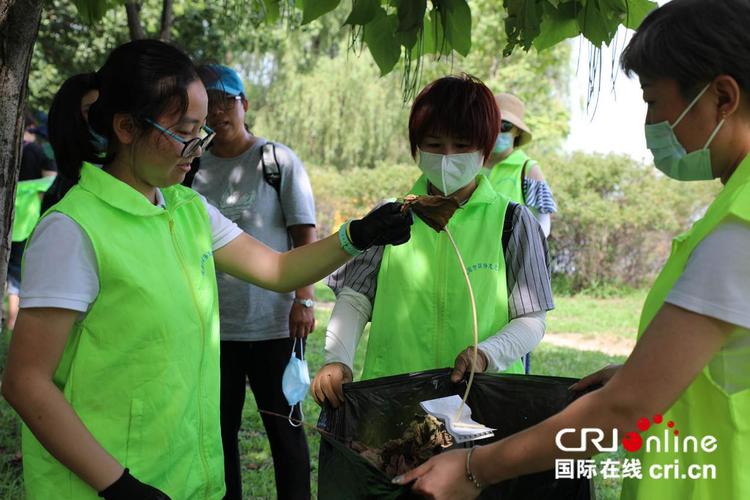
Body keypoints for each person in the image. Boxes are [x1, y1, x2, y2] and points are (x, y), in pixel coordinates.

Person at [0, 39, 412, 500]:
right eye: (185, 131)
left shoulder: (187, 208)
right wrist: (116, 484)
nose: (197, 148)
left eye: (203, 133)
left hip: (186, 479)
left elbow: (278, 269)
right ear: (126, 127)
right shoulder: (74, 229)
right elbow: (25, 381)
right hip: (104, 485)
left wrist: (358, 234)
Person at [395, 1, 750, 498]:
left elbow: (624, 409)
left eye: (653, 100)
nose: (650, 122)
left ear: (723, 97)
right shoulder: (734, 209)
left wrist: (475, 468)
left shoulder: (740, 226)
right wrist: (640, 370)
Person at [311, 74, 553, 409]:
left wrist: (486, 354)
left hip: (481, 400)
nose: (447, 157)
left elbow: (531, 320)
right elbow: (356, 297)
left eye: (463, 146)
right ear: (416, 148)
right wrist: (338, 358)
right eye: (435, 145)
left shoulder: (514, 221)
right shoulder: (389, 218)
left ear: (484, 150)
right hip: (393, 398)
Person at [191, 64, 317, 500]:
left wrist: (305, 299)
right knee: (218, 435)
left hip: (273, 325)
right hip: (214, 330)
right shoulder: (191, 167)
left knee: (285, 433)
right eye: (210, 102)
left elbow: (305, 234)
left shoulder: (275, 161)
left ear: (245, 104)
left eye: (228, 100)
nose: (220, 111)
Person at [4, 111, 58, 330]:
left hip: (8, 213)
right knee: (17, 267)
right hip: (26, 219)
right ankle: (13, 319)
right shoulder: (39, 151)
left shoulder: (7, 147)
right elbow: (50, 181)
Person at [483, 93, 557, 238]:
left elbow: (543, 225)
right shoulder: (472, 163)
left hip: (509, 256)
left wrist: (522, 250)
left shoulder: (528, 169)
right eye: (493, 123)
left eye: (505, 125)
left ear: (517, 131)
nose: (497, 130)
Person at [41, 72, 102, 214]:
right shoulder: (67, 192)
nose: (101, 118)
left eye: (104, 109)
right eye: (90, 111)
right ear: (70, 120)